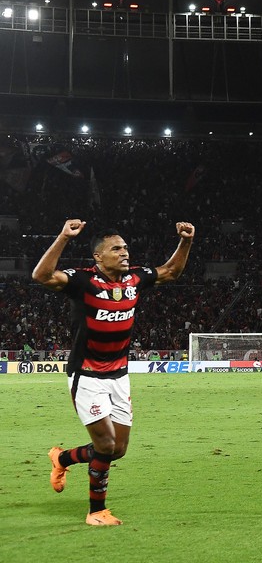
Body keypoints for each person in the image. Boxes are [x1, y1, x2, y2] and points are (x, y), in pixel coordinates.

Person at [33, 218, 195, 526]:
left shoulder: (135, 279)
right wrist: (64, 237)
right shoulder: (83, 280)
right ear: (98, 256)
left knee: (117, 449)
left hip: (119, 375)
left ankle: (62, 458)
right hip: (87, 375)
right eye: (116, 249)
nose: (124, 253)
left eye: (126, 248)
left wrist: (185, 241)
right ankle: (97, 511)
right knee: (105, 445)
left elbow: (171, 271)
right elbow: (41, 275)